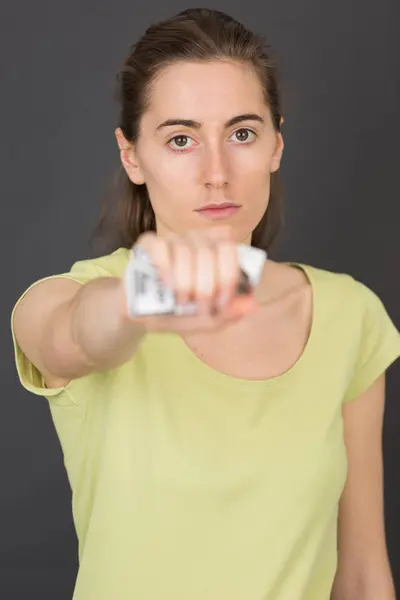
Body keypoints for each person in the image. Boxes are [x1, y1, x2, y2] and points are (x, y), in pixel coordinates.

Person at [11, 7, 400, 600]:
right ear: (132, 155)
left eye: (242, 133)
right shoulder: (81, 295)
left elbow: (364, 574)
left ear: (276, 144)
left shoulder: (352, 316)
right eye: (181, 139)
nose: (216, 173)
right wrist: (141, 302)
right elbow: (71, 334)